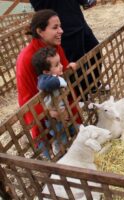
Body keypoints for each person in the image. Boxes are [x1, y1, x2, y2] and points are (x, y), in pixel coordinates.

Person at [16, 9, 78, 157]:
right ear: (40, 31)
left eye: (60, 26)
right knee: (55, 146)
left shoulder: (54, 47)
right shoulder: (26, 59)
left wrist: (68, 67)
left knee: (72, 133)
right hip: (44, 110)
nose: (61, 31)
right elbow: (26, 98)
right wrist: (49, 112)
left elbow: (60, 74)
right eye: (55, 27)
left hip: (60, 102)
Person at [29, 0, 105, 96]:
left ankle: (93, 84)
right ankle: (82, 96)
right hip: (65, 31)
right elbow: (40, 6)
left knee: (96, 51)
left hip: (79, 21)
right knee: (76, 66)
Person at [32, 47, 76, 156]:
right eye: (57, 65)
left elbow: (59, 75)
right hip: (54, 119)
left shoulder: (53, 75)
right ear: (46, 72)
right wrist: (59, 80)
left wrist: (69, 67)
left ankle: (72, 147)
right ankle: (59, 153)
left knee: (72, 129)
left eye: (60, 62)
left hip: (63, 113)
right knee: (61, 137)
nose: (61, 66)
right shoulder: (44, 80)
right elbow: (44, 85)